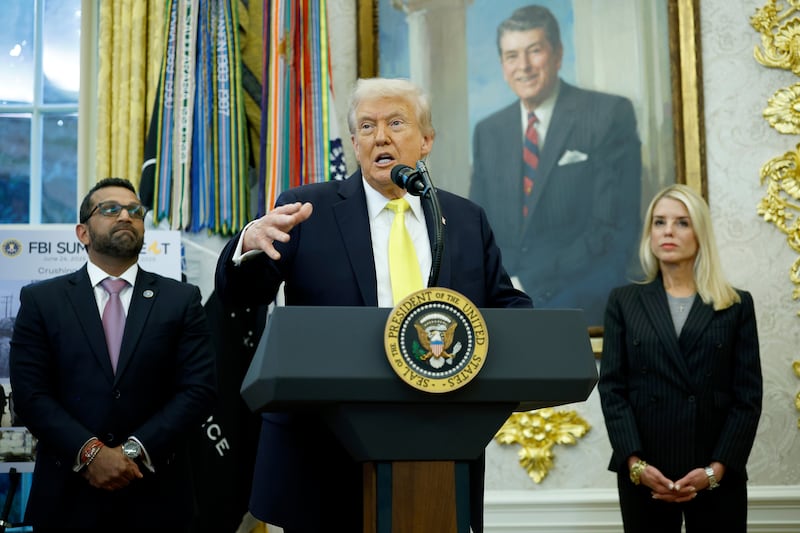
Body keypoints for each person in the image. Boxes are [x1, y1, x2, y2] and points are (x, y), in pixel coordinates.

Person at [214, 77, 532, 533]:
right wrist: (247, 244)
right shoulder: (309, 209)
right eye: (366, 126)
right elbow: (242, 296)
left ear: (426, 141)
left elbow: (503, 305)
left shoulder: (463, 218)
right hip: (324, 447)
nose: (380, 136)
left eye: (396, 123)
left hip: (439, 439)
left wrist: (536, 335)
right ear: (356, 143)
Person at [10, 177, 217, 532]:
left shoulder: (181, 299)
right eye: (109, 209)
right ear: (83, 232)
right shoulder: (41, 301)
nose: (125, 216)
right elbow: (31, 396)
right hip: (67, 496)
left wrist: (132, 451)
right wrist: (91, 453)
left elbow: (198, 390)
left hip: (157, 495)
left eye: (134, 211)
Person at [598, 184, 762, 533]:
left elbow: (747, 398)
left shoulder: (735, 305)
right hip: (645, 471)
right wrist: (636, 465)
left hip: (717, 472)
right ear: (649, 234)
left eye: (682, 223)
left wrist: (715, 471)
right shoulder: (624, 302)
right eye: (659, 222)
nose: (668, 231)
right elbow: (613, 389)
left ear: (700, 234)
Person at [469, 4, 642, 326]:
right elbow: (477, 229)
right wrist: (502, 288)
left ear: (558, 54)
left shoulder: (607, 115)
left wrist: (529, 283)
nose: (523, 66)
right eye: (511, 56)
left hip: (582, 302)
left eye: (534, 51)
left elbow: (611, 228)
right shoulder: (488, 132)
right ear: (502, 65)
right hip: (501, 306)